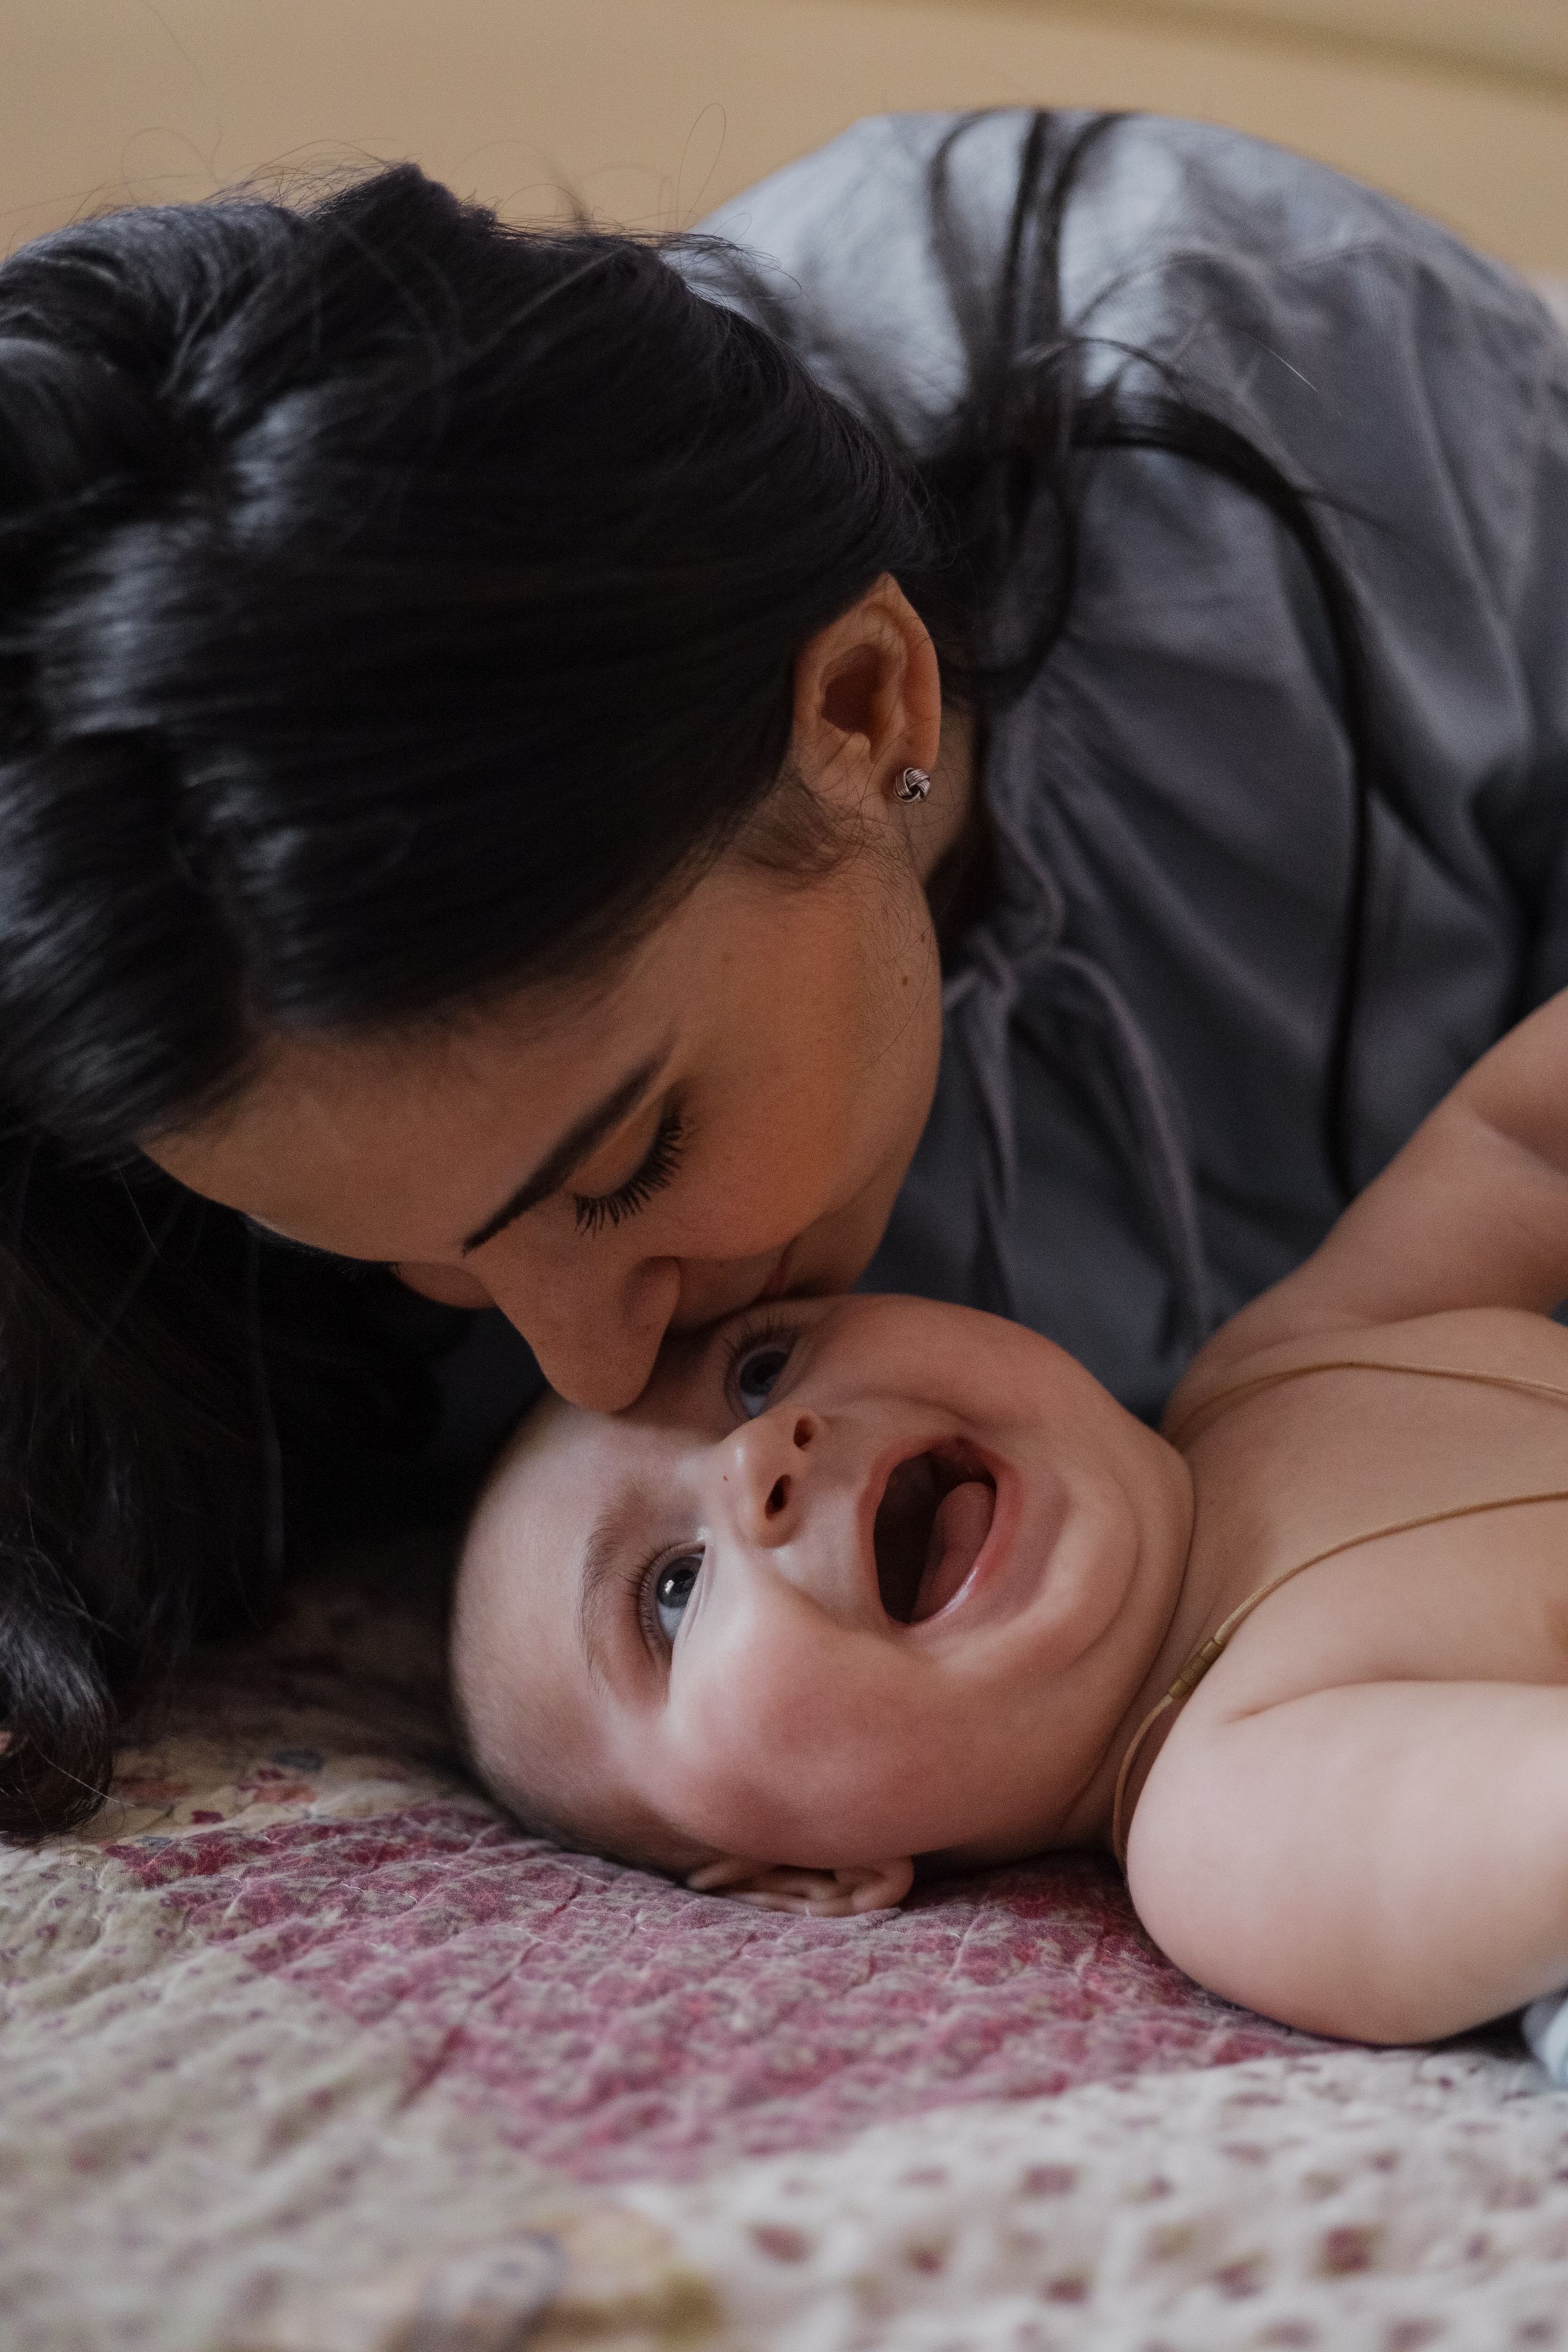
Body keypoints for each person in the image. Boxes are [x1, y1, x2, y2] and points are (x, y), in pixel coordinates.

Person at [1, 107, 1566, 1838]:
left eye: (624, 1167)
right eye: (401, 1257)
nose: (592, 1369)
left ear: (863, 707)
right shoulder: (172, 1184)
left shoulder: (1277, 364)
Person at [452, 981, 1568, 2049]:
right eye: (673, 1590)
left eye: (761, 1370)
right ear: (809, 1877)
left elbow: (1520, 1150)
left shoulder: (1279, 1366)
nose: (756, 1454)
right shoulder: (1227, 1821)